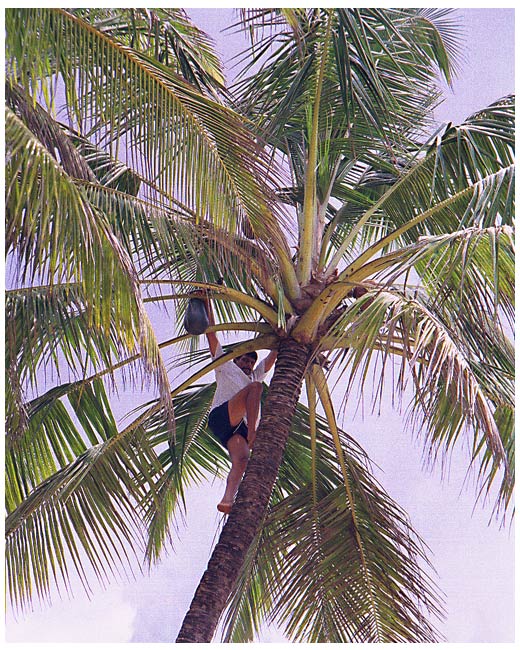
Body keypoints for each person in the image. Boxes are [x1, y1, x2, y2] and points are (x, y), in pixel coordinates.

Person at [202, 296, 277, 515]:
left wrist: (286, 330)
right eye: (244, 359)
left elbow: (274, 356)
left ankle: (227, 500)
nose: (248, 363)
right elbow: (212, 333)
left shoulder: (254, 374)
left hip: (237, 431)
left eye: (251, 361)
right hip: (222, 417)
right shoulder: (225, 365)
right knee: (256, 388)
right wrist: (208, 300)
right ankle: (254, 431)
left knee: (242, 460)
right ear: (236, 360)